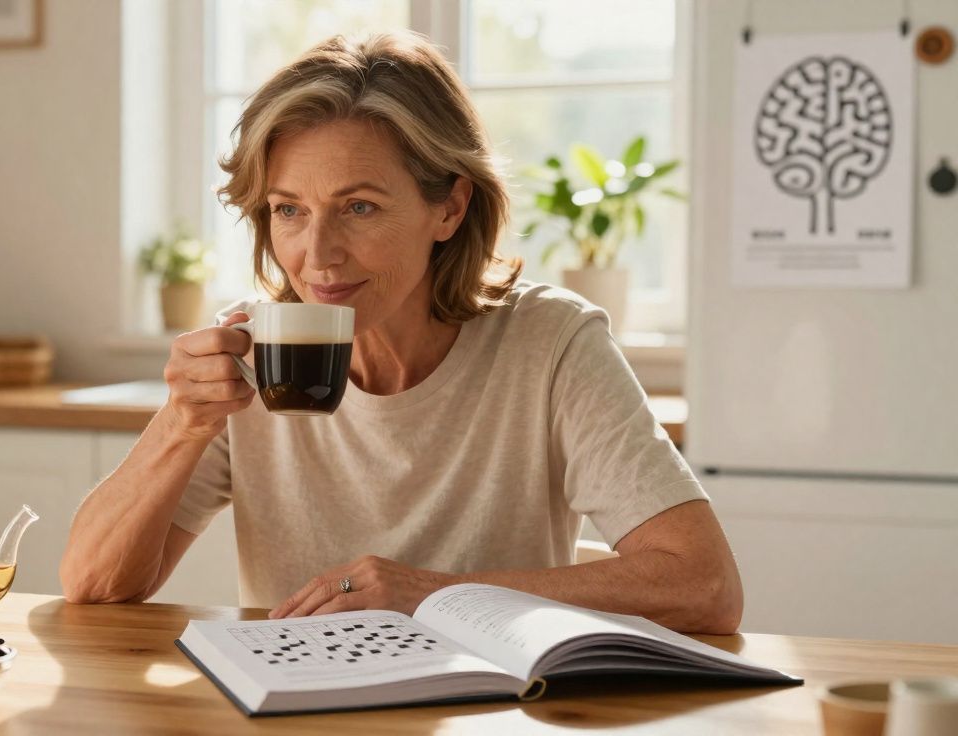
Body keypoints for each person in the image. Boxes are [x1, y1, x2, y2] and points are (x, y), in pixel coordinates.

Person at [60, 31, 743, 634]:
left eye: (359, 206)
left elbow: (705, 587)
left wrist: (433, 595)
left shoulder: (551, 341)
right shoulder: (250, 351)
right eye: (289, 210)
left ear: (448, 206)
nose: (318, 255)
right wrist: (180, 423)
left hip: (498, 713)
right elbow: (92, 585)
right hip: (295, 708)